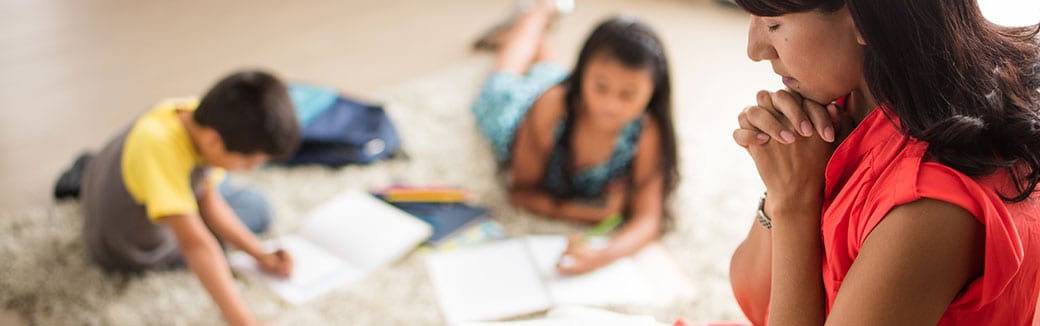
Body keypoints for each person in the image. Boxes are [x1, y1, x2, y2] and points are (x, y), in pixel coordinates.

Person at [726, 0, 1040, 324]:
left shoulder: (931, 206)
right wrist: (782, 188)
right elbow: (752, 296)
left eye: (773, 24)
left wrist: (795, 204)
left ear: (865, 20)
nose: (755, 49)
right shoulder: (847, 106)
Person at [471, 2, 679, 275]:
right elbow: (520, 192)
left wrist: (602, 256)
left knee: (549, 71)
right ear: (581, 76)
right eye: (600, 87)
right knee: (502, 81)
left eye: (627, 94)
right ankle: (536, 14)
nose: (611, 105)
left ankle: (539, 35)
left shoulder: (647, 129)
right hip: (519, 113)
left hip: (563, 88)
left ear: (653, 93)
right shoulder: (551, 108)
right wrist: (591, 213)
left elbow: (648, 219)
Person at [80, 70, 301, 325]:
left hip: (116, 194)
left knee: (241, 198)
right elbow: (195, 244)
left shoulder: (193, 114)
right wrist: (241, 320)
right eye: (248, 162)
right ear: (213, 141)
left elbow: (210, 200)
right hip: (127, 250)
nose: (251, 169)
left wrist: (259, 253)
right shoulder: (160, 150)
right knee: (255, 210)